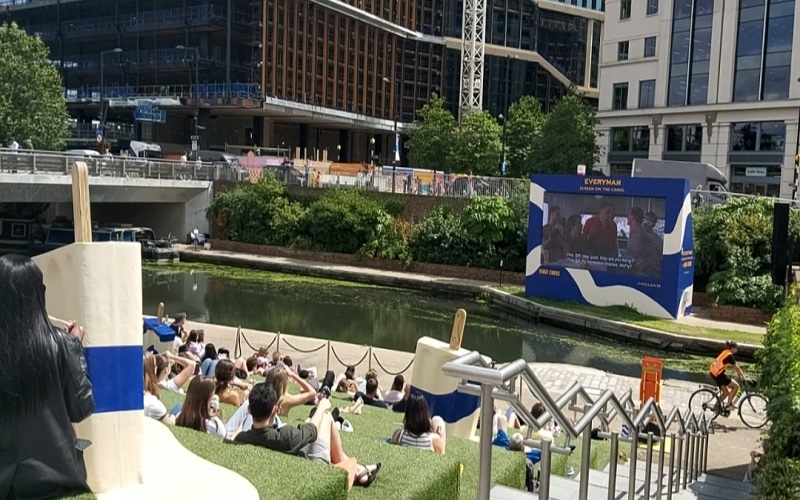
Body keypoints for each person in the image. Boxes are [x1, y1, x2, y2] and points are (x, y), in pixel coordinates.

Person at [0, 254, 94, 498]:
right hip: (56, 478)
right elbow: (81, 408)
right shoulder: (60, 344)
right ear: (38, 294)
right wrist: (75, 348)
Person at [230, 384, 381, 487]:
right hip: (313, 466)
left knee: (312, 420)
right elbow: (312, 431)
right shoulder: (284, 437)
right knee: (326, 417)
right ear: (275, 410)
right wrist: (321, 407)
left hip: (296, 454)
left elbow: (308, 429)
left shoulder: (242, 438)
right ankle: (354, 471)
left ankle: (359, 468)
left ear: (249, 410)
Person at [710, 341, 749, 411]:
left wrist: (739, 374)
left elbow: (734, 367)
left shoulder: (726, 352)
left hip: (714, 372)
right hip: (718, 375)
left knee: (726, 393)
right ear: (732, 348)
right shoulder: (729, 355)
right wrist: (743, 377)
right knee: (736, 386)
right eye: (736, 348)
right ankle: (728, 405)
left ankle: (716, 406)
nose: (737, 349)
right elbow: (736, 367)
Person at [144, 352, 176, 424]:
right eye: (155, 366)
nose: (156, 368)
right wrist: (173, 416)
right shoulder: (153, 404)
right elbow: (171, 423)